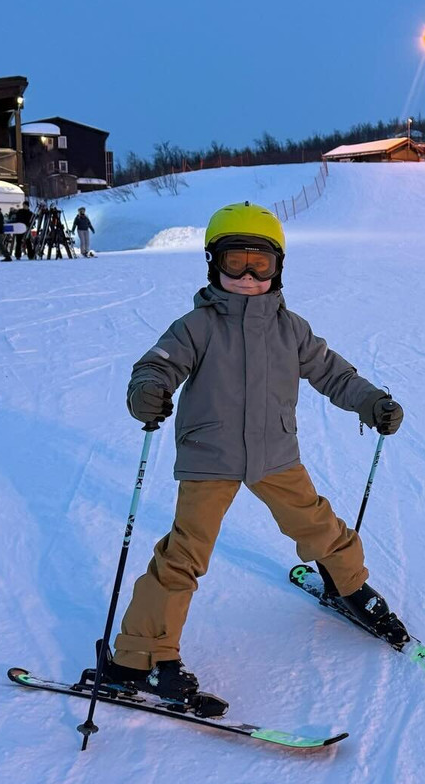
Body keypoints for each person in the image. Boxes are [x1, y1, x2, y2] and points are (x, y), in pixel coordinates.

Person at [102, 202, 408, 702]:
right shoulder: (195, 326)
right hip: (210, 459)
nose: (247, 275)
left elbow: (335, 374)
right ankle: (139, 658)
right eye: (234, 261)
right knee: (183, 556)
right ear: (213, 263)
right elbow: (154, 366)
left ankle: (347, 584)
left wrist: (371, 402)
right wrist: (147, 392)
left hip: (275, 456)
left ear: (277, 267)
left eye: (259, 264)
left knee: (318, 524)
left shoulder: (292, 329)